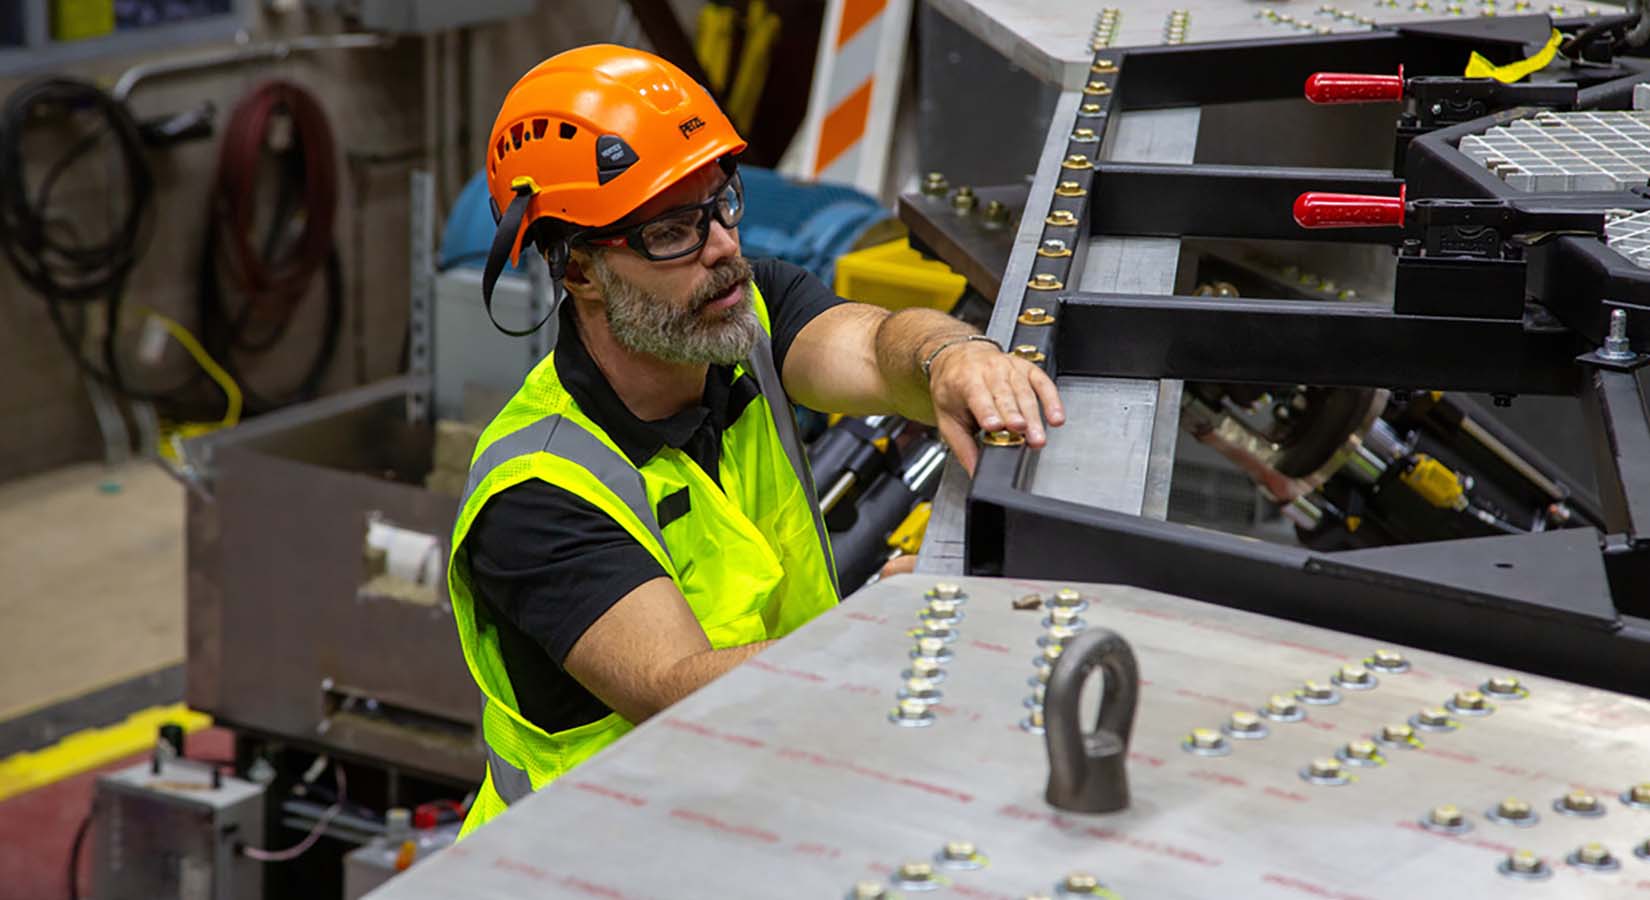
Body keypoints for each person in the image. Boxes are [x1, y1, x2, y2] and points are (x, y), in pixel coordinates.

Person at [447, 44, 1063, 835]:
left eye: (720, 202)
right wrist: (883, 633)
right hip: (592, 860)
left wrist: (952, 359)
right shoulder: (538, 487)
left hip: (756, 808)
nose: (722, 247)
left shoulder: (742, 316)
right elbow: (674, 687)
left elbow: (878, 347)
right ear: (579, 270)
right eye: (672, 230)